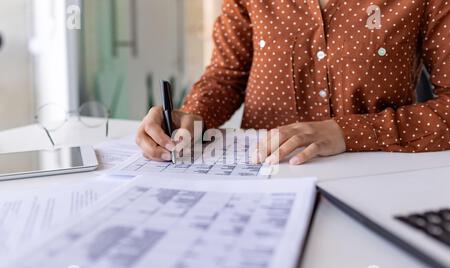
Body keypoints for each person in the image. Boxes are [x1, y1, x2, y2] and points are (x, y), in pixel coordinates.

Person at [136, 0, 450, 165]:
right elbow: (225, 77)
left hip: (370, 180)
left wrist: (347, 132)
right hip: (262, 177)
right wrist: (190, 119)